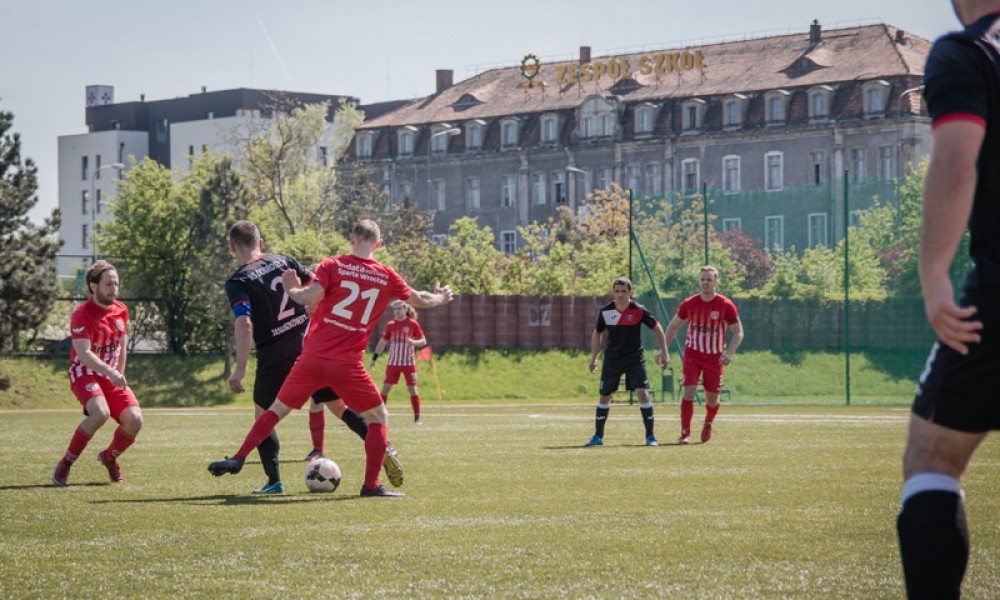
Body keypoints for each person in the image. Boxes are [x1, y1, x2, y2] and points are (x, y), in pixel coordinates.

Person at [209, 219, 453, 497]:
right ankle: (372, 483)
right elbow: (419, 298)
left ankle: (241, 458)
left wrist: (292, 290)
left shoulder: (333, 265)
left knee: (273, 411)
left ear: (351, 239)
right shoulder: (386, 275)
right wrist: (442, 298)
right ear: (379, 244)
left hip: (308, 357)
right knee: (375, 415)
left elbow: (304, 297)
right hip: (343, 361)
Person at [897, 2, 1000, 597]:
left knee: (933, 459)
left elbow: (957, 162)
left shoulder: (967, 51)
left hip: (999, 299)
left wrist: (934, 272)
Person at [225, 221, 394, 494]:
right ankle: (383, 447)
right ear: (262, 242)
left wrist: (240, 369)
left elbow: (244, 323)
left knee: (266, 414)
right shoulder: (284, 262)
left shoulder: (239, 281)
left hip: (274, 355)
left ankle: (274, 482)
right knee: (338, 407)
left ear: (233, 247)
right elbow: (318, 286)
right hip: (311, 346)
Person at [52, 261, 144, 486]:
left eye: (116, 284)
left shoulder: (121, 309)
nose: (114, 288)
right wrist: (111, 372)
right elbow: (84, 354)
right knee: (100, 413)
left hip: (110, 375)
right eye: (108, 284)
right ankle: (66, 463)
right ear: (94, 286)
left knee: (135, 420)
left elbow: (121, 346)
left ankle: (109, 456)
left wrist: (119, 375)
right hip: (84, 372)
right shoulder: (82, 314)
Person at [662, 266, 743, 445]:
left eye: (709, 280)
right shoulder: (689, 303)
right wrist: (663, 349)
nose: (705, 283)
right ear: (699, 281)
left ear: (716, 282)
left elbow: (738, 333)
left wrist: (729, 353)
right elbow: (673, 326)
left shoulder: (725, 305)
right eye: (702, 279)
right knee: (688, 391)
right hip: (692, 354)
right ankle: (685, 433)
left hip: (714, 358)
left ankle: (708, 422)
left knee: (712, 400)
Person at [585, 276, 669, 447]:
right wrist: (594, 358)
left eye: (624, 291)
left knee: (642, 393)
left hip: (634, 359)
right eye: (617, 291)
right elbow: (597, 333)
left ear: (631, 293)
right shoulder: (606, 311)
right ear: (613, 292)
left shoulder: (639, 310)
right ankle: (598, 436)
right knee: (604, 396)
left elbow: (657, 327)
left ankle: (650, 437)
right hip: (612, 360)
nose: (620, 295)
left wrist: (664, 352)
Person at [370, 300, 427, 424]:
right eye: (395, 309)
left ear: (405, 309)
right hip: (393, 363)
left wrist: (414, 342)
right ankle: (380, 416)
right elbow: (382, 342)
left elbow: (423, 341)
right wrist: (374, 358)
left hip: (409, 363)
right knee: (385, 389)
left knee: (413, 389)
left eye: (399, 309)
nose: (396, 311)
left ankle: (417, 419)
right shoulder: (390, 324)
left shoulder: (413, 324)